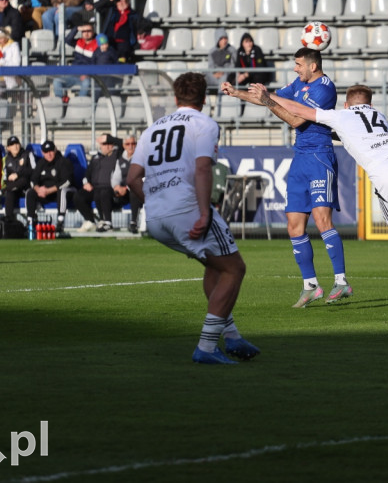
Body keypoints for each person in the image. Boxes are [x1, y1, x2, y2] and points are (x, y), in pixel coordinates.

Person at [261, 84, 388, 309]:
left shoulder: (341, 115)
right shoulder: (379, 114)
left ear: (347, 104)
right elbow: (356, 133)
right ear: (370, 104)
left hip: (385, 170)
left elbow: (300, 111)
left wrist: (268, 96)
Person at [126, 72, 258, 364]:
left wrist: (157, 204)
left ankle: (233, 337)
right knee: (234, 269)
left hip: (157, 218)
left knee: (214, 266)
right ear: (204, 98)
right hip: (187, 209)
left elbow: (132, 178)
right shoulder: (205, 124)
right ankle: (207, 347)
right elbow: (202, 169)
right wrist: (203, 212)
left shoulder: (151, 130)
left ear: (175, 98)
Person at [222, 48, 350, 307]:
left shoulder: (324, 87)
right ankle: (310, 285)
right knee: (293, 225)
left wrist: (268, 101)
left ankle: (342, 281)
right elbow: (272, 99)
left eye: (299, 64)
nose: (295, 69)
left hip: (319, 156)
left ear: (313, 66)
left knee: (322, 218)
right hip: (300, 157)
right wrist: (238, 94)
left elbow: (295, 120)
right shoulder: (298, 84)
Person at [76, 133, 128, 233]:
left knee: (103, 193)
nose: (108, 146)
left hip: (110, 189)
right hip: (95, 188)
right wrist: (86, 183)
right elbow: (87, 173)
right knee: (78, 196)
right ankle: (91, 221)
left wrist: (110, 138)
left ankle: (106, 222)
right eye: (105, 144)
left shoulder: (117, 155)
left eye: (110, 143)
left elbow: (124, 144)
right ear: (100, 145)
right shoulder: (96, 157)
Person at [26, 140, 74, 236]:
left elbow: (67, 182)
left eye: (51, 151)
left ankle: (60, 222)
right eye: (46, 152)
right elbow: (33, 180)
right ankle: (30, 221)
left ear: (55, 150)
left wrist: (48, 190)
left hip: (61, 193)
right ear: (43, 153)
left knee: (62, 191)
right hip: (44, 193)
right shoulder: (41, 163)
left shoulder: (63, 162)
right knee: (30, 192)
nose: (49, 154)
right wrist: (38, 189)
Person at [2, 135, 35, 219]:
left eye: (17, 143)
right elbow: (5, 178)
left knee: (23, 180)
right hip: (14, 187)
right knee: (10, 193)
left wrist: (18, 175)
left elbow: (34, 170)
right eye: (12, 144)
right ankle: (8, 220)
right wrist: (9, 179)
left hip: (27, 185)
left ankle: (30, 221)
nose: (15, 146)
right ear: (8, 148)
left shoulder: (28, 154)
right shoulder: (6, 159)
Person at [120, 135, 142, 233]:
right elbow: (116, 177)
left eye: (133, 143)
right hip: (123, 192)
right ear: (124, 146)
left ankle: (133, 221)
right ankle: (106, 222)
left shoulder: (141, 158)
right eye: (128, 144)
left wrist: (127, 187)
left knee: (134, 190)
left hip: (137, 190)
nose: (131, 146)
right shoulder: (120, 159)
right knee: (105, 191)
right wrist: (116, 186)